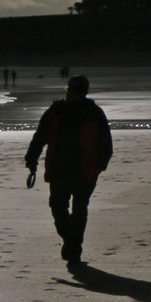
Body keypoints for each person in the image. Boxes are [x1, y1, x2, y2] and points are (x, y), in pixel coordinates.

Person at [25, 75, 113, 263]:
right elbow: (40, 136)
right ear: (68, 90)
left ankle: (74, 247)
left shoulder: (94, 113)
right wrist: (31, 159)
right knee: (58, 207)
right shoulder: (55, 111)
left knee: (79, 208)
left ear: (85, 92)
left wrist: (99, 166)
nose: (76, 95)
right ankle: (71, 241)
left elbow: (106, 144)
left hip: (86, 169)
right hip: (59, 169)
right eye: (73, 91)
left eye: (79, 92)